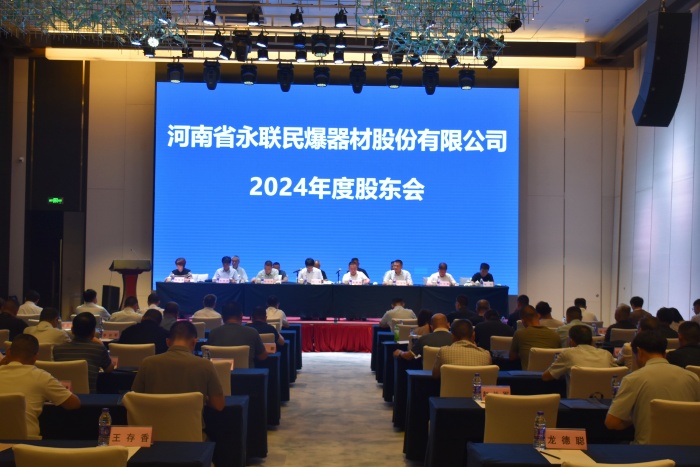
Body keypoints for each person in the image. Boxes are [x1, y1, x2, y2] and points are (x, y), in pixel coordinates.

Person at [605, 331, 700, 444]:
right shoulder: (692, 377)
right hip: (689, 450)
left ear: (639, 352)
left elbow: (611, 423)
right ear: (664, 352)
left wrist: (635, 418)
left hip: (647, 450)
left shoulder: (633, 379)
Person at [0, 334, 80, 439]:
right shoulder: (41, 377)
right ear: (35, 357)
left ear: (8, 352)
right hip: (27, 441)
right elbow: (74, 404)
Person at [131, 321, 224, 412]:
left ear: (167, 342)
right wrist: (203, 399)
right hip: (190, 422)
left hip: (153, 422)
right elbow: (219, 405)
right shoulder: (205, 365)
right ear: (194, 342)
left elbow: (135, 398)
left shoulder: (147, 363)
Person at [53, 312, 114, 393]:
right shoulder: (98, 349)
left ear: (72, 330)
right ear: (93, 332)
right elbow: (109, 369)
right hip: (89, 398)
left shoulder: (57, 349)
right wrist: (101, 345)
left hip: (63, 396)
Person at [542, 325, 617, 389]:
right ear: (592, 341)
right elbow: (619, 374)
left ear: (571, 341)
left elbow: (546, 377)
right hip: (606, 400)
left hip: (576, 400)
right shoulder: (606, 354)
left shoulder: (568, 354)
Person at [208, 302, 267, 367]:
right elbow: (262, 356)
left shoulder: (213, 333)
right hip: (246, 373)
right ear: (241, 316)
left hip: (220, 373)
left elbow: (208, 357)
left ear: (222, 317)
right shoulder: (252, 332)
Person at [510, 305, 560, 370]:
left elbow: (512, 357)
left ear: (523, 321)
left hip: (529, 375)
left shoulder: (519, 334)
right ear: (538, 316)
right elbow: (559, 358)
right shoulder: (555, 335)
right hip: (550, 375)